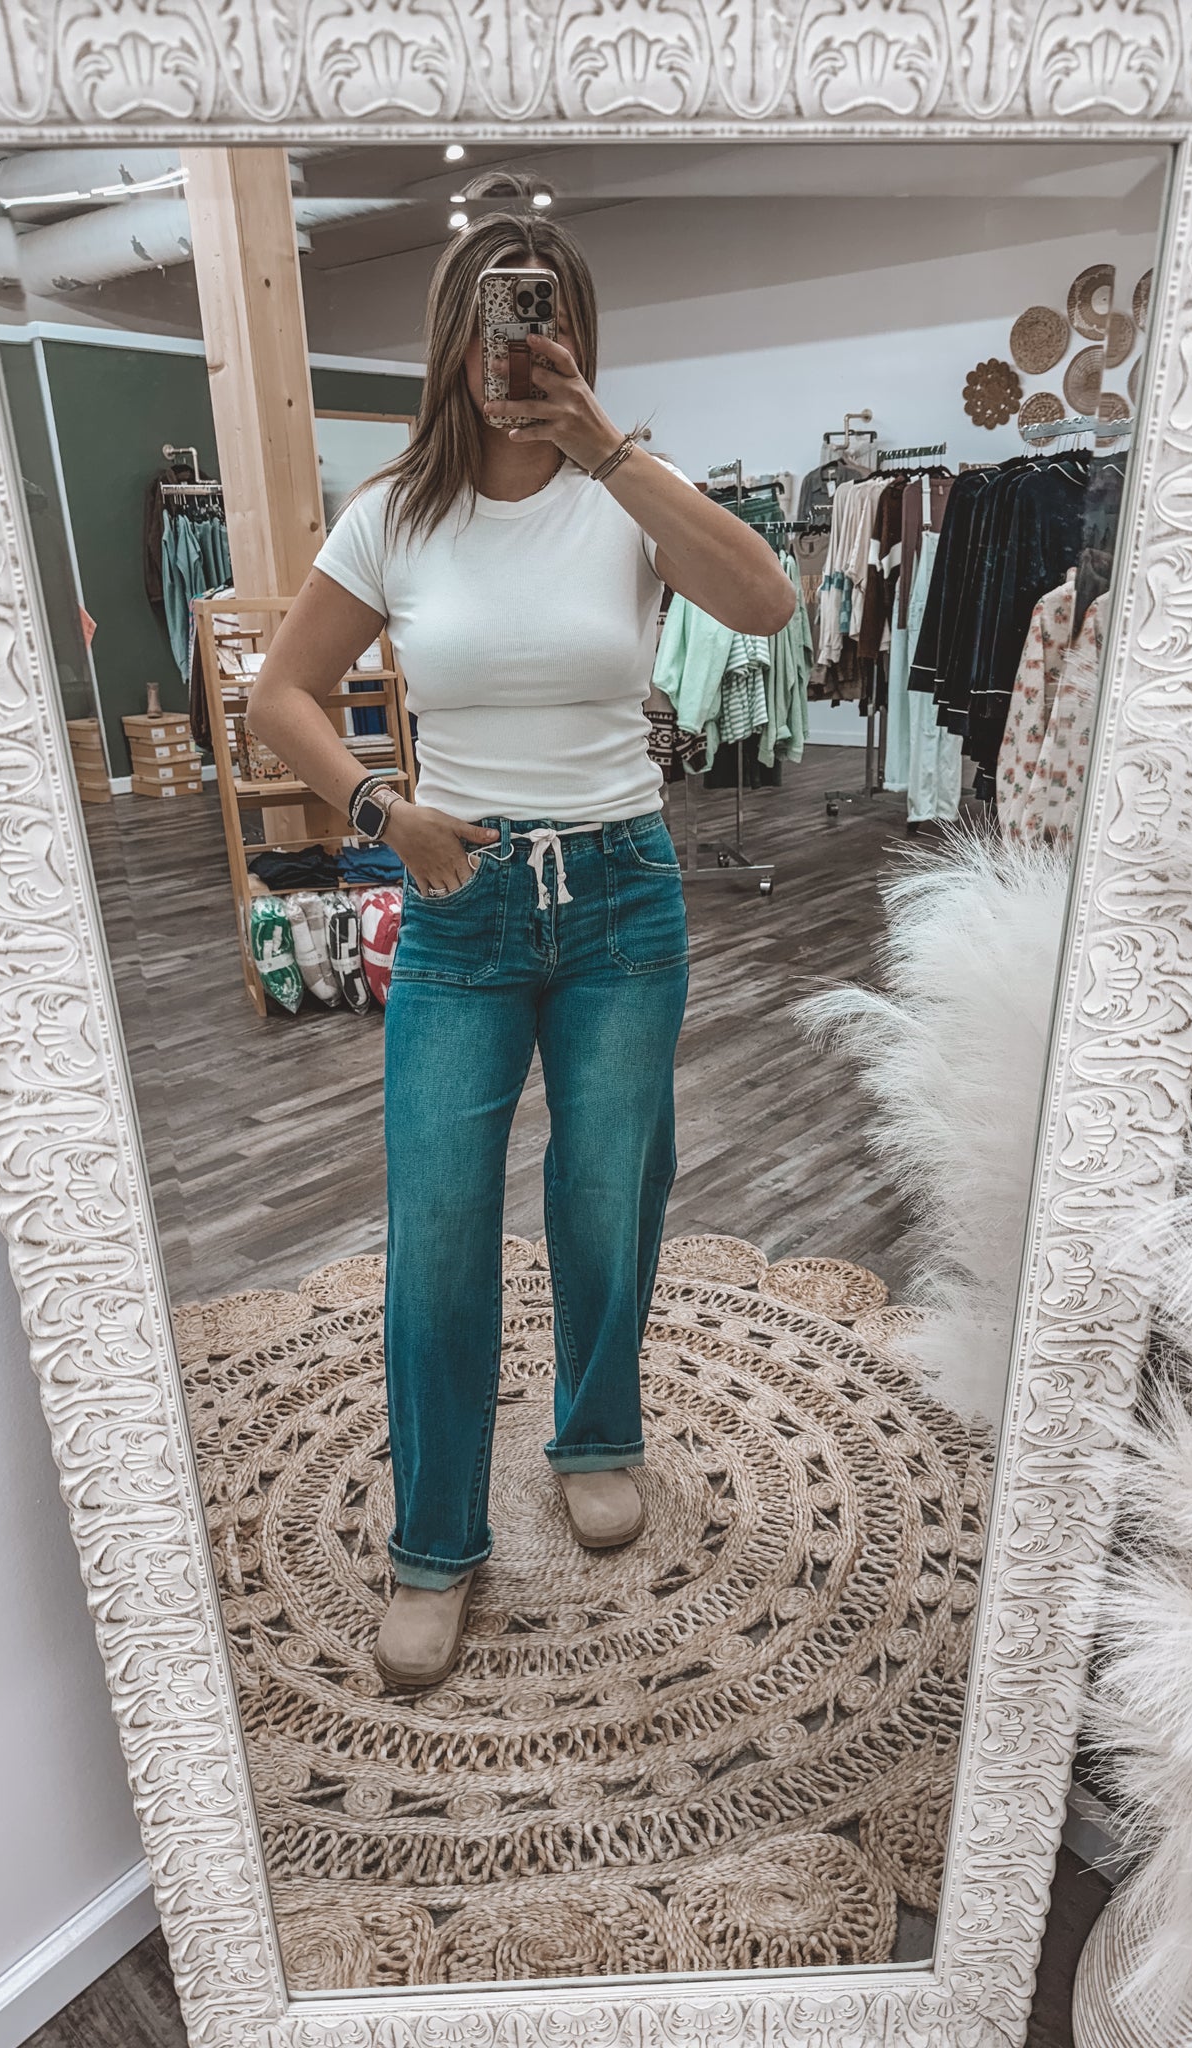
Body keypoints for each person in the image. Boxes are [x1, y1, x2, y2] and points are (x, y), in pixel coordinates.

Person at [247, 202, 795, 1689]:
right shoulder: (393, 515)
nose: (517, 346)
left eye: (543, 315)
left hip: (623, 893)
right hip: (459, 899)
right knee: (437, 1226)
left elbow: (766, 602)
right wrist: (382, 808)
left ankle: (597, 1432)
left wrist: (608, 448)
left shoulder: (631, 492)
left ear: (574, 331)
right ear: (457, 335)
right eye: (497, 317)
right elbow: (279, 697)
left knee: (611, 1192)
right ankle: (436, 1540)